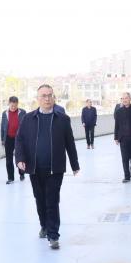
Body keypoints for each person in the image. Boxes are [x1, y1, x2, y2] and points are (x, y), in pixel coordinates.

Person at [16, 85, 79, 250]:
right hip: (34, 168)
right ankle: (44, 225)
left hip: (55, 168)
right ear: (38, 98)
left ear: (54, 97)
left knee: (52, 201)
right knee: (40, 199)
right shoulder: (28, 119)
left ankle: (53, 235)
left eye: (50, 95)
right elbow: (20, 140)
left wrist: (75, 164)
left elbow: (70, 143)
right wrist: (20, 159)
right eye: (43, 95)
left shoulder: (62, 119)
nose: (47, 98)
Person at [114, 92, 131, 182]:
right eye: (123, 98)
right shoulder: (118, 112)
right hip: (123, 138)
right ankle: (127, 176)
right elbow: (117, 125)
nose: (124, 100)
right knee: (125, 158)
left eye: (126, 98)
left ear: (130, 99)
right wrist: (116, 137)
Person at [1, 96, 27, 184]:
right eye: (12, 105)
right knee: (8, 159)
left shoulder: (22, 112)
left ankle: (21, 173)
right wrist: (2, 139)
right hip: (8, 138)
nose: (13, 107)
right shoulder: (5, 113)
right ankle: (10, 178)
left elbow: (26, 125)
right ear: (9, 104)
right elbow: (2, 127)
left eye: (15, 106)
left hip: (19, 138)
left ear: (17, 104)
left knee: (20, 157)